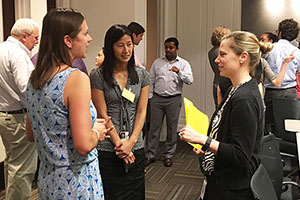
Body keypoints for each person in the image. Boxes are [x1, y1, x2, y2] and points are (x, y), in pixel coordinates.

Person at [25, 8, 111, 199]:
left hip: (48, 180)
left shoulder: (34, 79)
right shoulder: (75, 79)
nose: (89, 39)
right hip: (77, 181)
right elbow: (83, 145)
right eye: (85, 33)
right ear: (68, 40)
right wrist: (97, 131)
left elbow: (31, 134)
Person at [179, 31, 272, 200]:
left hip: (234, 188)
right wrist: (208, 148)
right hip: (222, 179)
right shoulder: (234, 89)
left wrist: (204, 140)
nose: (216, 60)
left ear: (242, 57)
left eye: (222, 54)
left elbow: (241, 155)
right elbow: (226, 136)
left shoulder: (244, 99)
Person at [90, 24, 150, 200]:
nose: (126, 50)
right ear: (110, 47)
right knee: (111, 194)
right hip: (108, 148)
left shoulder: (141, 75)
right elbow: (102, 114)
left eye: (129, 44)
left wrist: (130, 143)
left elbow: (142, 111)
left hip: (135, 147)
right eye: (120, 45)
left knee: (135, 194)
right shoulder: (98, 75)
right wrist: (120, 146)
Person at [0, 18, 39, 200]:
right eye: (35, 38)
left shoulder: (2, 49)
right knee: (22, 170)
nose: (37, 42)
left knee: (12, 165)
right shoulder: (18, 54)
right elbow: (27, 89)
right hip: (18, 118)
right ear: (24, 36)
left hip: (4, 115)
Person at [145, 37, 193, 167]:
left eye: (171, 48)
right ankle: (150, 155)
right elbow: (151, 80)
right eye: (166, 47)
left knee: (172, 129)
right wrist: (150, 98)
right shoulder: (157, 63)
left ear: (177, 48)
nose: (168, 50)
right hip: (157, 99)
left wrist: (179, 72)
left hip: (173, 99)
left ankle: (168, 155)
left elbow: (190, 80)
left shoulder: (183, 64)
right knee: (154, 128)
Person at [264, 18, 300, 130]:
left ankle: (271, 147)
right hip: (290, 92)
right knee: (290, 127)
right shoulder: (297, 52)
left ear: (279, 33)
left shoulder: (269, 49)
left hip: (272, 91)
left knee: (269, 125)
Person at [208, 26, 231, 108]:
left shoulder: (211, 51)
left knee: (218, 108)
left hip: (216, 81)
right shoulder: (221, 51)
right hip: (225, 83)